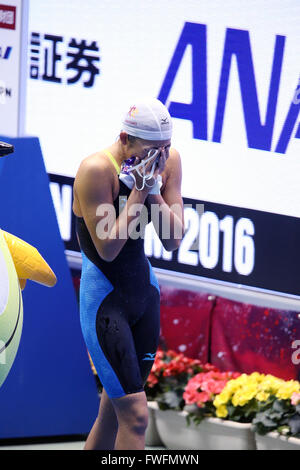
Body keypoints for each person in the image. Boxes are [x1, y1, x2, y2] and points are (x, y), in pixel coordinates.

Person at [72, 97, 184, 450]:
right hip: (104, 303)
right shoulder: (95, 170)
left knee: (112, 414)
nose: (160, 158)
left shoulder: (168, 161)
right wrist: (138, 191)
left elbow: (173, 239)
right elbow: (107, 248)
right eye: (152, 150)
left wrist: (152, 190)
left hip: (143, 295)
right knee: (135, 417)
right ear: (124, 138)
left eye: (165, 149)